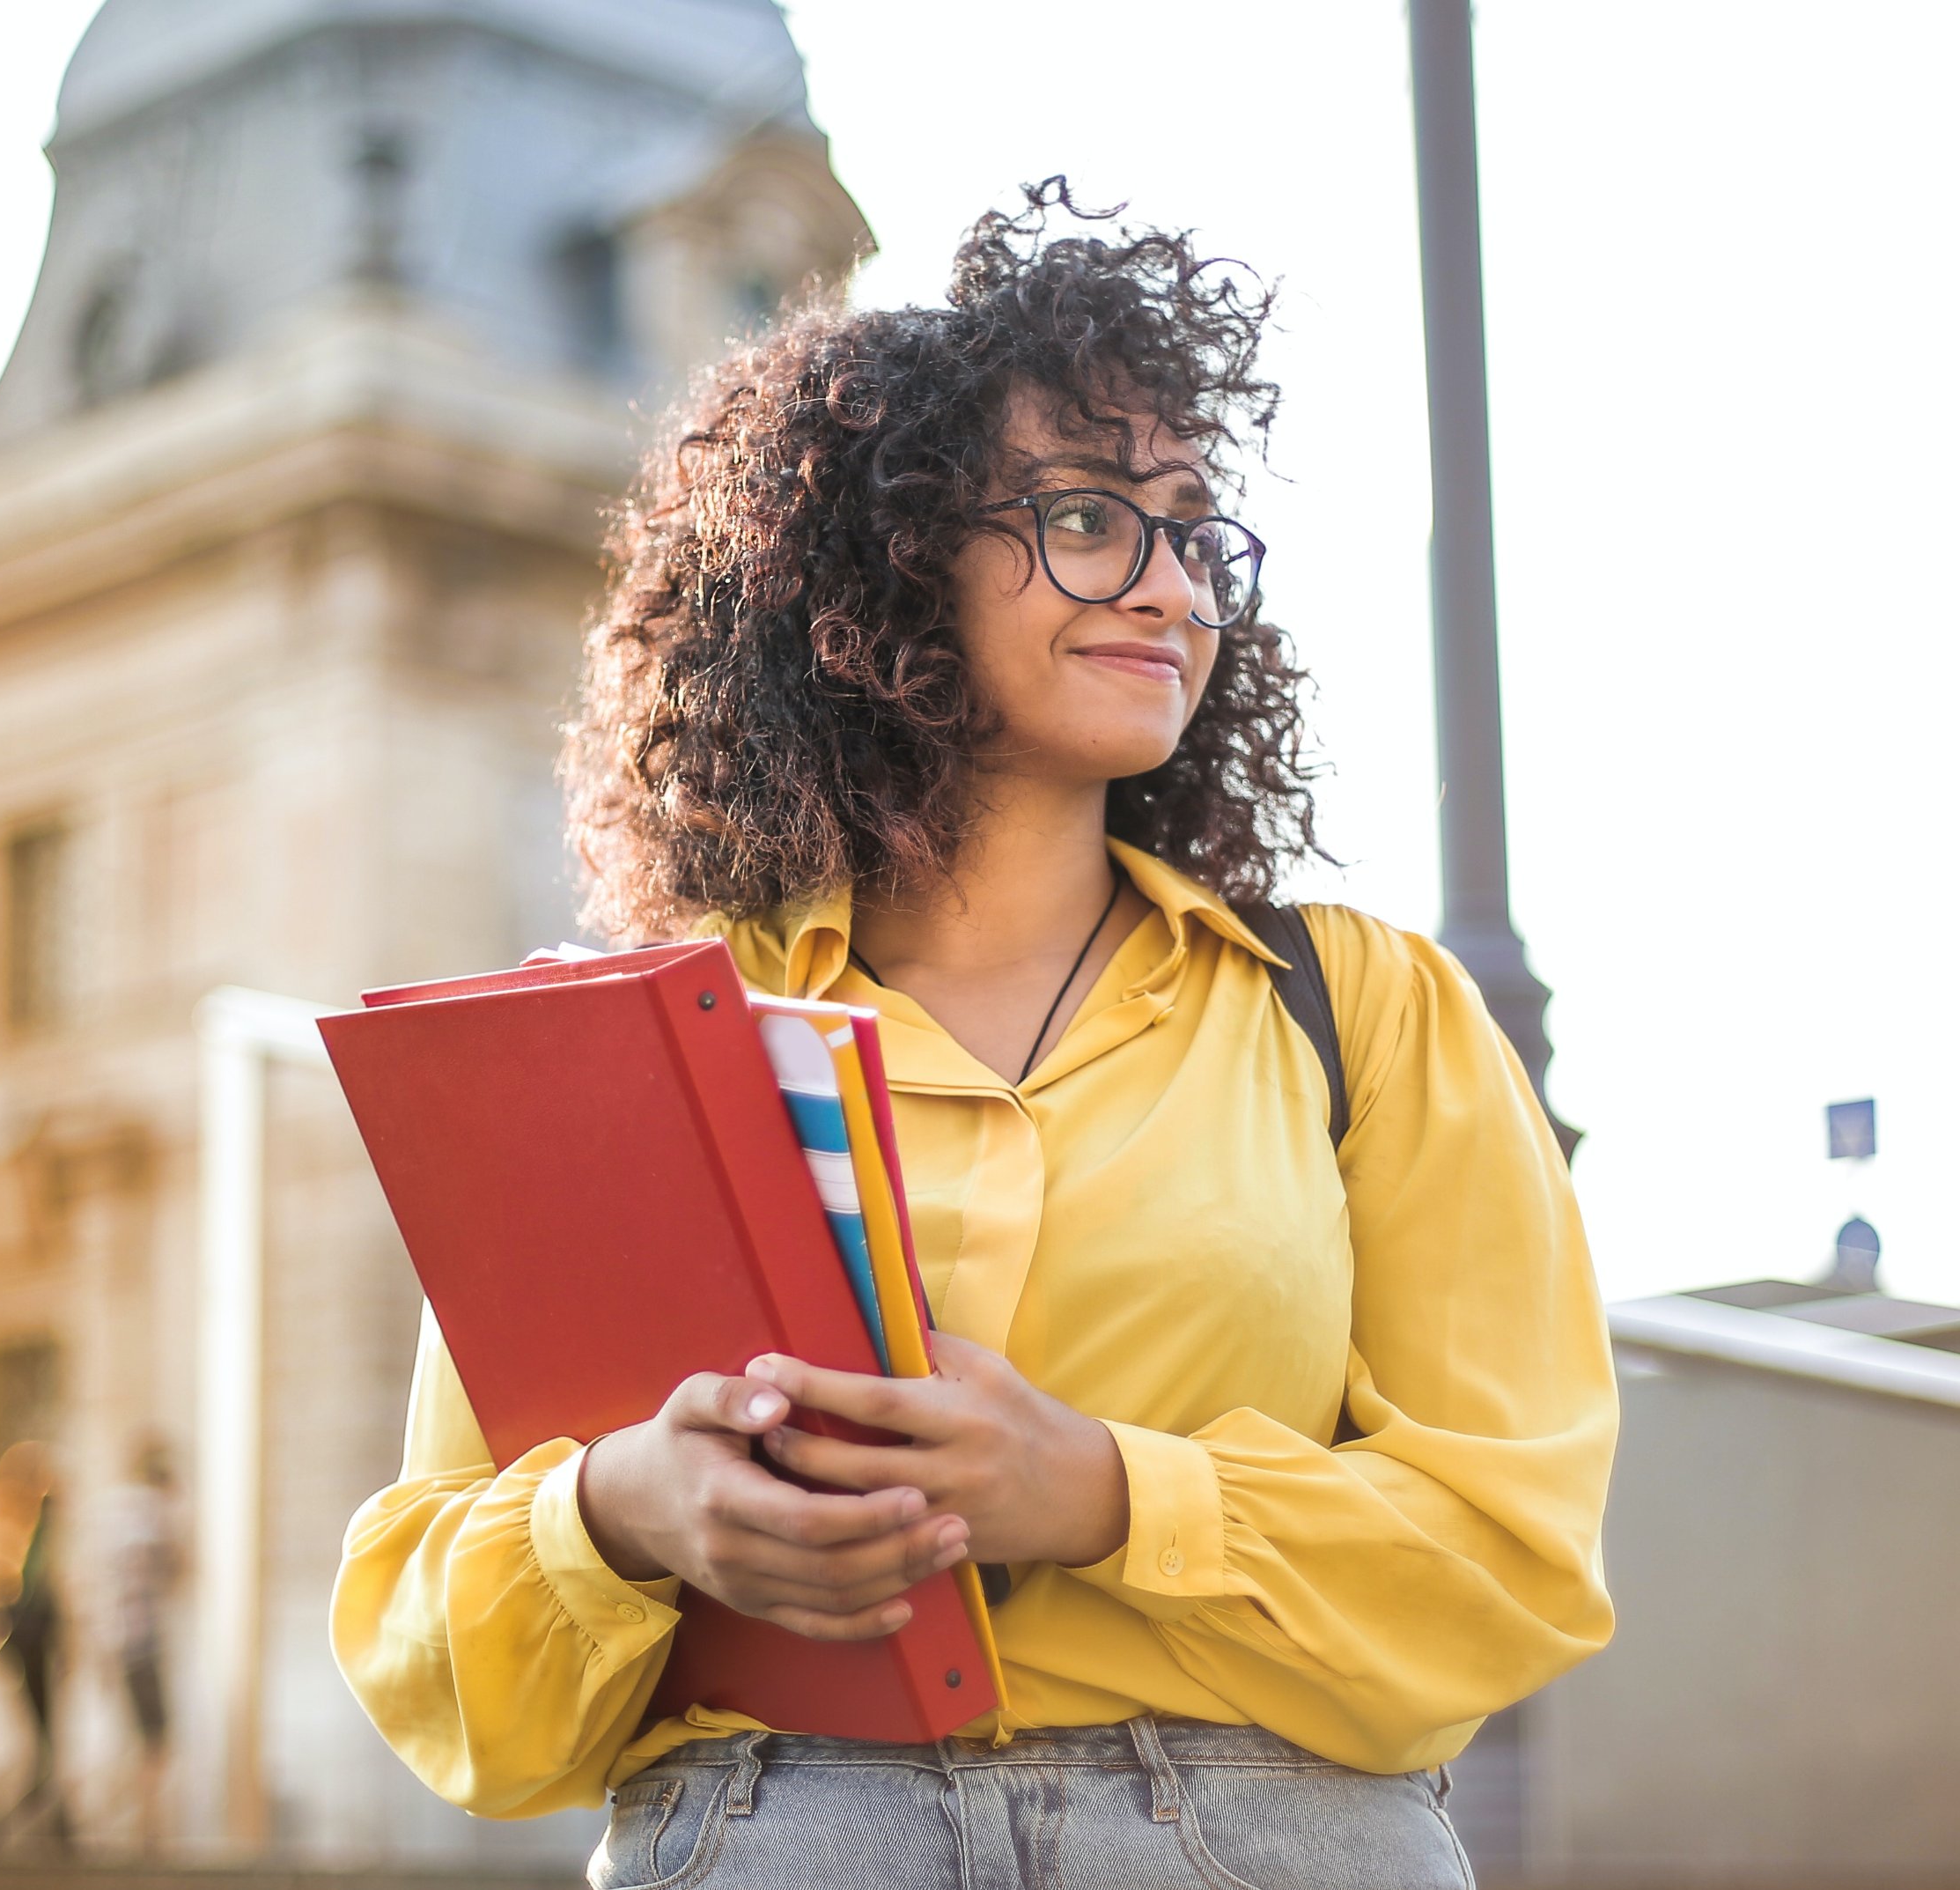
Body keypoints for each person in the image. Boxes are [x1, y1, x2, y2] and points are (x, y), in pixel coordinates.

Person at [332, 183, 1615, 1889]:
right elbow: (444, 1665)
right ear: (886, 559)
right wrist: (626, 1509)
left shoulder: (1364, 1012)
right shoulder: (640, 1046)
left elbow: (1513, 1555)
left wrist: (1100, 1490)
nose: (1166, 583)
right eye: (1086, 515)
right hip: (780, 1829)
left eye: (1190, 526)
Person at [0, 1440, 68, 1843]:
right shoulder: (7, 1525)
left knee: (46, 1732)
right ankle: (25, 1816)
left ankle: (58, 1819)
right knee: (37, 1733)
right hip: (23, 1638)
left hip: (40, 1638)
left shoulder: (39, 1526)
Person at [99, 1432, 185, 1847]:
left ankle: (137, 1823)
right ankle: (146, 1829)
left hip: (115, 1640)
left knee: (138, 1736)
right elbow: (177, 1567)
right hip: (142, 1643)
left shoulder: (115, 1512)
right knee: (155, 1739)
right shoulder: (151, 1514)